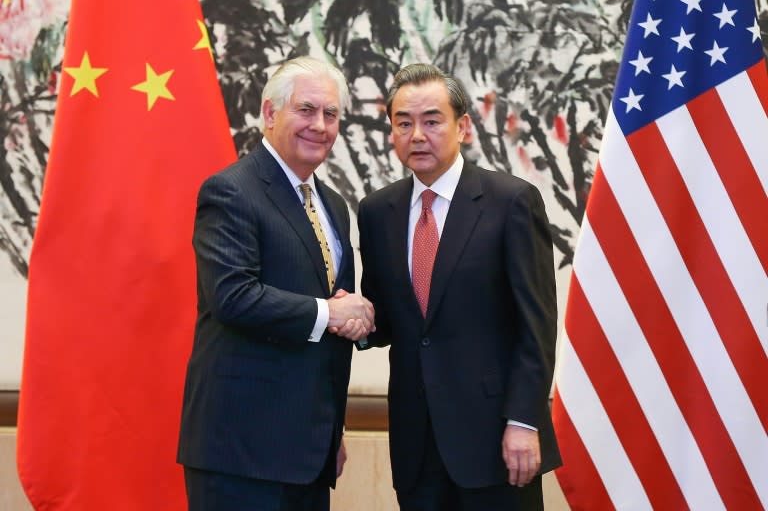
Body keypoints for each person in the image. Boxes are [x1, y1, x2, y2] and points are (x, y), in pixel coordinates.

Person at [357, 63, 561, 510]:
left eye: (432, 121)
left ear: (463, 127)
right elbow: (389, 319)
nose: (416, 135)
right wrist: (355, 316)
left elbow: (538, 326)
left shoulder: (511, 202)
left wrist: (525, 420)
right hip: (416, 443)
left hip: (497, 438)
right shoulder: (377, 212)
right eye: (403, 123)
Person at [177, 56, 374, 511]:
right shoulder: (231, 191)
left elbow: (334, 316)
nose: (320, 126)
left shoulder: (334, 205)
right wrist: (331, 313)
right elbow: (233, 296)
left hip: (308, 453)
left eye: (331, 114)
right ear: (269, 113)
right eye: (306, 110)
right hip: (240, 454)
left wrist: (331, 431)